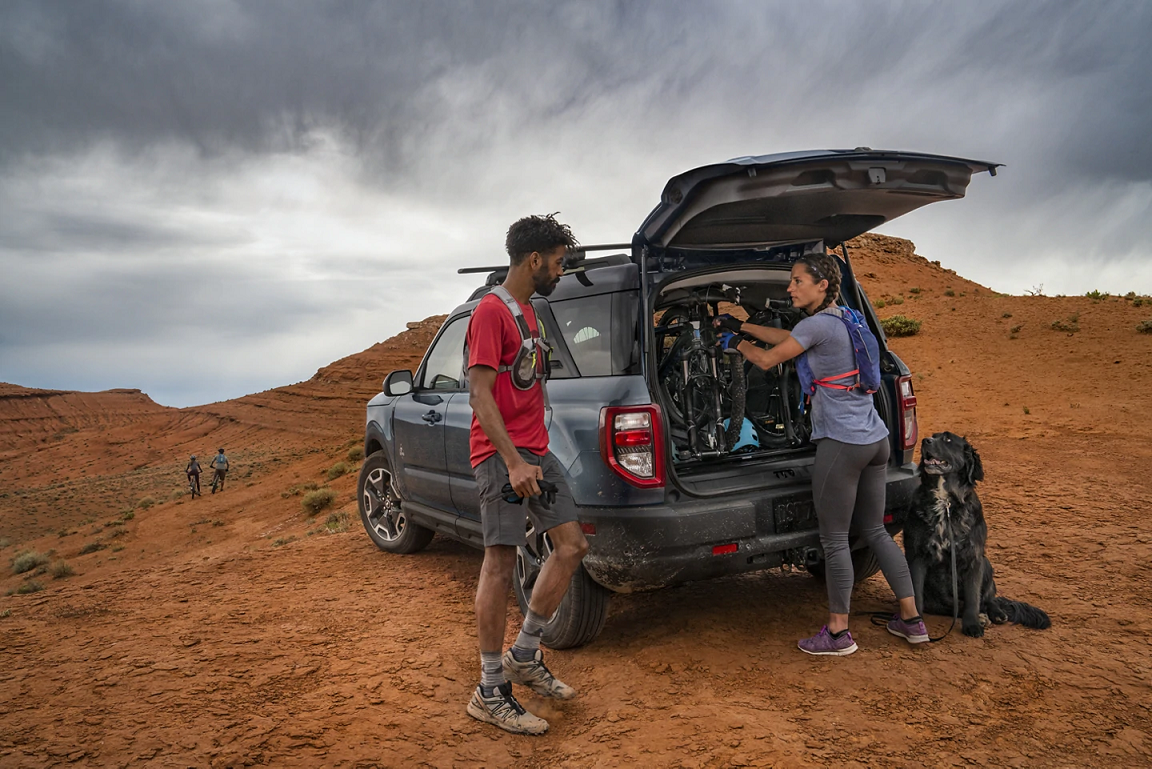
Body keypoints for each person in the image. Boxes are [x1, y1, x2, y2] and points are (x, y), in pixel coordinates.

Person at [714, 253, 928, 656]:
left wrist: (735, 342)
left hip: (842, 443)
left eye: (797, 281)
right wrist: (741, 324)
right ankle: (912, 621)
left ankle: (837, 633)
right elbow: (792, 339)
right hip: (875, 439)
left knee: (833, 539)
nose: (790, 287)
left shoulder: (815, 326)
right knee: (875, 531)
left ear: (822, 285)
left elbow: (765, 358)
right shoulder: (846, 318)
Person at [464, 214, 589, 735]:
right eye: (558, 262)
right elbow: (479, 395)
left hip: (538, 452)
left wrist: (530, 453)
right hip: (502, 458)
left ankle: (524, 655)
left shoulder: (529, 313)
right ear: (534, 259)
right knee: (499, 561)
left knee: (572, 546)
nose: (561, 271)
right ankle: (490, 689)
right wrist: (513, 460)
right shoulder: (490, 314)